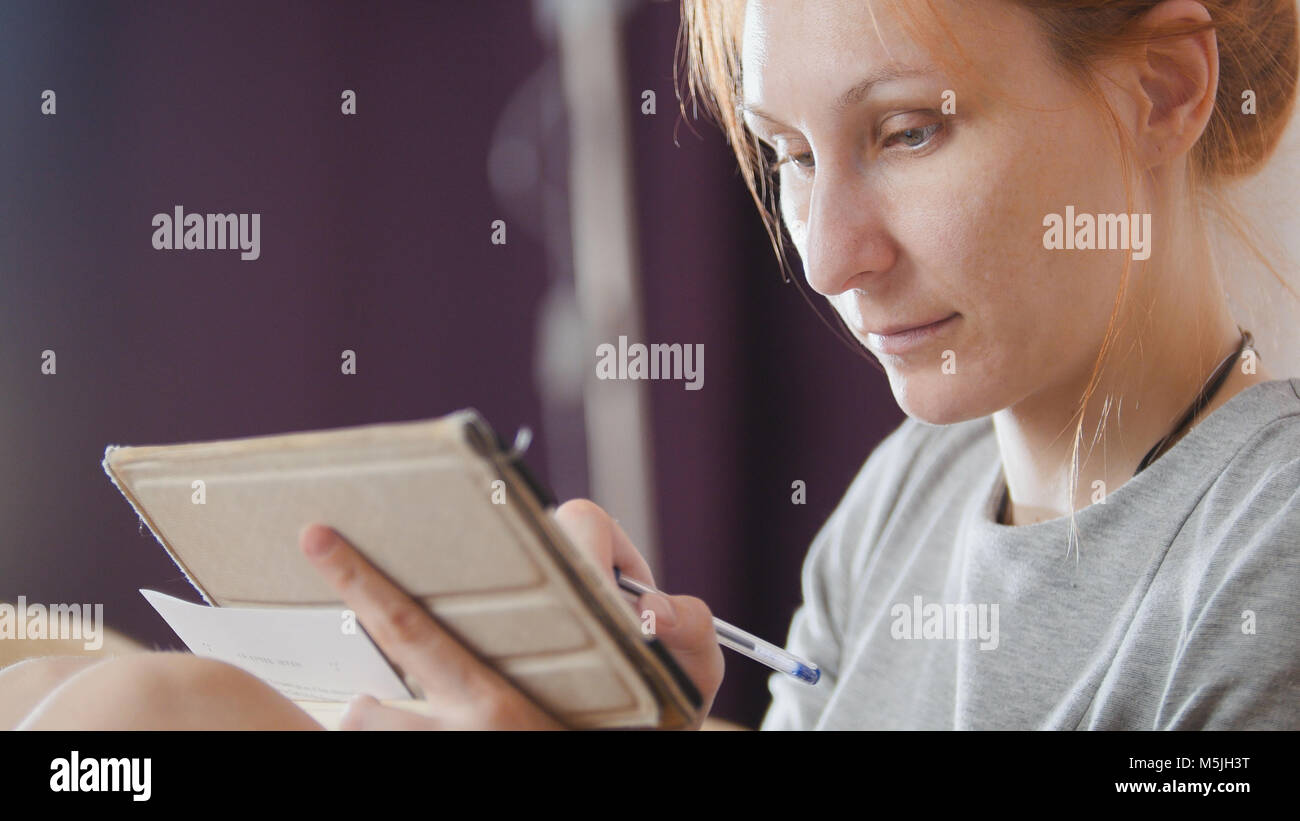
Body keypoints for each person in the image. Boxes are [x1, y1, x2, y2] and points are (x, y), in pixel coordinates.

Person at [4, 0, 1297, 729]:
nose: (830, 256)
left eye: (905, 133)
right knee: (88, 697)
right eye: (787, 155)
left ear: (1167, 91)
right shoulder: (903, 499)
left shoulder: (1268, 546)